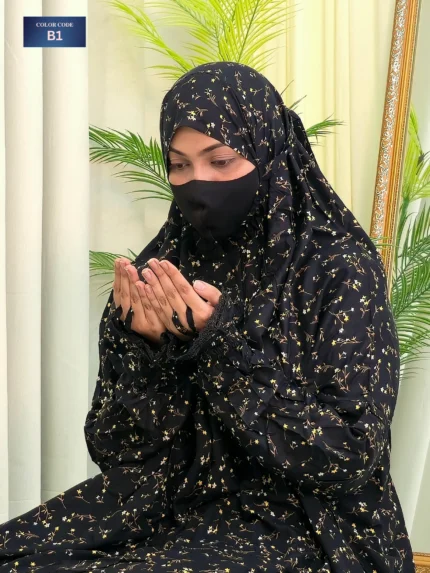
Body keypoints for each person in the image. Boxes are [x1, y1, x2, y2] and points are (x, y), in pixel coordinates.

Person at [0, 62, 416, 572]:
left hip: (310, 522)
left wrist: (218, 347)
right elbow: (114, 450)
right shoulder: (165, 268)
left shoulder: (338, 267)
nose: (198, 183)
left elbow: (347, 455)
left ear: (270, 152)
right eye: (179, 165)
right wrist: (147, 354)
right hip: (169, 503)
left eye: (220, 160)